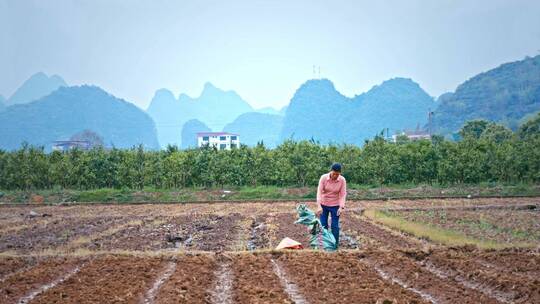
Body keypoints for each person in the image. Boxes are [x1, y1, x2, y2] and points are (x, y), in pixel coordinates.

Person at [316, 162, 347, 248]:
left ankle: (335, 245)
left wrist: (341, 207)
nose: (335, 176)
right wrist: (319, 206)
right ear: (331, 171)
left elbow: (343, 194)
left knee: (335, 226)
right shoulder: (323, 178)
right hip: (324, 204)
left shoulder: (342, 180)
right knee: (323, 225)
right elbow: (319, 192)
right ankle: (324, 244)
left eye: (337, 174)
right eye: (334, 174)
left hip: (335, 205)